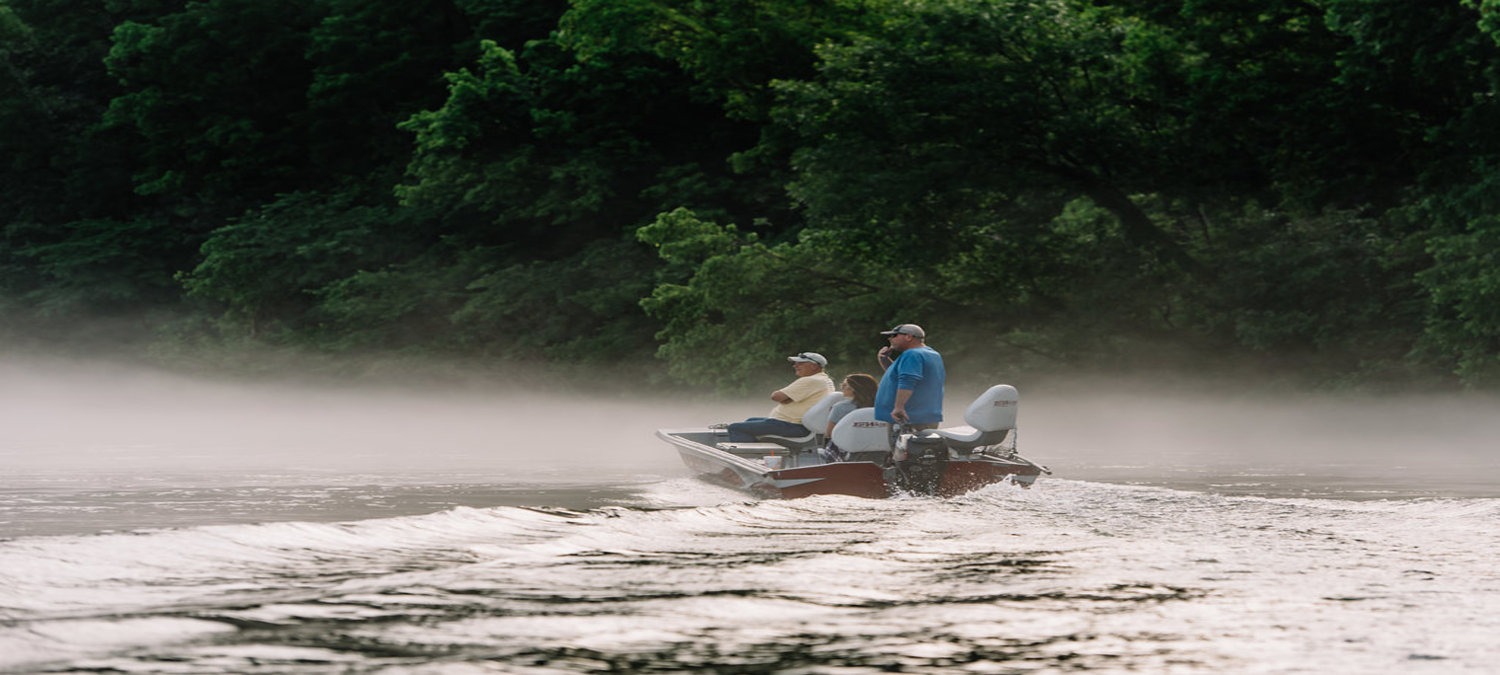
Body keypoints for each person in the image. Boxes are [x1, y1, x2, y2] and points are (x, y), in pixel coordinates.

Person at [726, 352, 835, 442]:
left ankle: (750, 462)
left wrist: (785, 398)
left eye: (800, 363)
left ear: (814, 366)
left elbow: (776, 396)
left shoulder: (810, 380)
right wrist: (785, 398)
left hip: (792, 426)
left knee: (735, 428)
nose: (795, 366)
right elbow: (784, 398)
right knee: (750, 420)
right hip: (797, 425)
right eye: (795, 363)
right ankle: (763, 456)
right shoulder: (825, 380)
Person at [874, 323, 945, 430]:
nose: (890, 338)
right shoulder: (931, 353)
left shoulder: (912, 354)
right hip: (923, 417)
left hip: (907, 418)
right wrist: (884, 359)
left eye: (894, 335)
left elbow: (907, 381)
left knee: (908, 446)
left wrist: (899, 407)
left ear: (908, 337)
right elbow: (899, 376)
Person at [818, 373, 878, 462]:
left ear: (854, 389)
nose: (842, 387)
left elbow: (829, 433)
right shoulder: (883, 407)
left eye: (844, 385)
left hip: (847, 449)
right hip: (877, 448)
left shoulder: (840, 407)